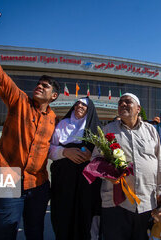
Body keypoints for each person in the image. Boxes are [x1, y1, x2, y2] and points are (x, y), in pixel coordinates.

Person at [0, 13, 60, 239]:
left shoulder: (55, 120)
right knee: (4, 234)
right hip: (9, 182)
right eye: (39, 84)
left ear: (54, 95)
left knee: (35, 233)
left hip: (39, 187)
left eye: (45, 86)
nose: (39, 87)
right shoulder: (18, 101)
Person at [93, 93, 161, 240]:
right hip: (116, 202)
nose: (123, 104)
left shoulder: (151, 130)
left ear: (138, 108)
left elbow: (159, 161)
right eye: (120, 102)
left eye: (128, 102)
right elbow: (95, 160)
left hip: (146, 201)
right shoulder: (108, 130)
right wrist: (110, 174)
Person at [48, 97, 101, 240]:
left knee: (84, 214)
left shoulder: (95, 130)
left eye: (84, 105)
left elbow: (103, 156)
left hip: (86, 183)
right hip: (63, 180)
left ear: (89, 110)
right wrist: (64, 152)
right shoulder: (62, 125)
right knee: (63, 212)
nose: (79, 106)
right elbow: (49, 149)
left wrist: (90, 156)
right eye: (77, 103)